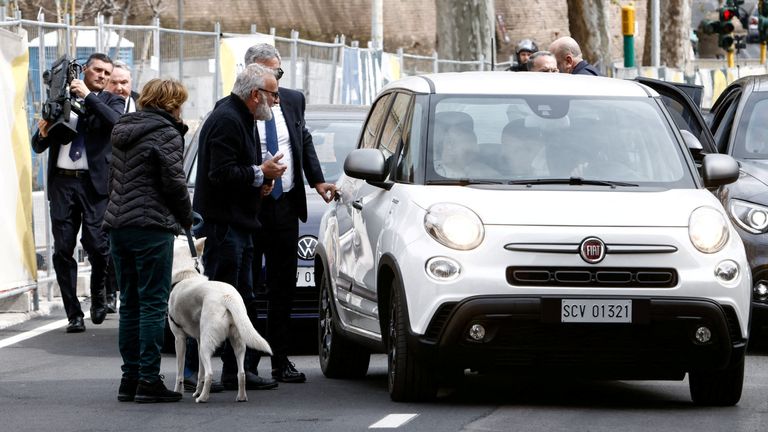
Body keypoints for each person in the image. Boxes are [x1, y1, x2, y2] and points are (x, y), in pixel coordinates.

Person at [245, 43, 336, 384]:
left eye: (280, 73)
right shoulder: (241, 104)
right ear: (253, 75)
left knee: (282, 286)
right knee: (249, 287)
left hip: (285, 205)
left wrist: (318, 181)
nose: (278, 82)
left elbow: (303, 139)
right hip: (251, 207)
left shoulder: (293, 100)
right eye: (272, 74)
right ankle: (247, 363)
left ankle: (280, 359)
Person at [192, 63, 286, 391]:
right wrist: (260, 174)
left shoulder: (243, 117)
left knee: (240, 300)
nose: (277, 100)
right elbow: (220, 173)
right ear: (255, 94)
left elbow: (238, 171)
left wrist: (258, 181)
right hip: (223, 228)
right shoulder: (228, 119)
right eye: (273, 94)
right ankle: (194, 371)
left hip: (239, 225)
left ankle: (236, 371)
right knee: (216, 301)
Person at [104, 78, 193, 403]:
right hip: (151, 226)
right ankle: (148, 379)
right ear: (170, 103)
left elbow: (114, 177)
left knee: (129, 302)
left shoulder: (123, 129)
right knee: (154, 303)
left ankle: (129, 379)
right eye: (179, 102)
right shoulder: (166, 132)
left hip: (118, 224)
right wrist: (186, 217)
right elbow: (174, 182)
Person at [31, 53, 124, 333]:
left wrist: (89, 97)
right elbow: (37, 144)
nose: (103, 77)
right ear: (84, 70)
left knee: (97, 246)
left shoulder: (111, 100)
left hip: (94, 185)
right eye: (97, 71)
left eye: (107, 73)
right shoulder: (59, 97)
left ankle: (98, 293)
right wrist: (44, 134)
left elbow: (117, 123)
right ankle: (73, 313)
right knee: (63, 249)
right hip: (63, 183)